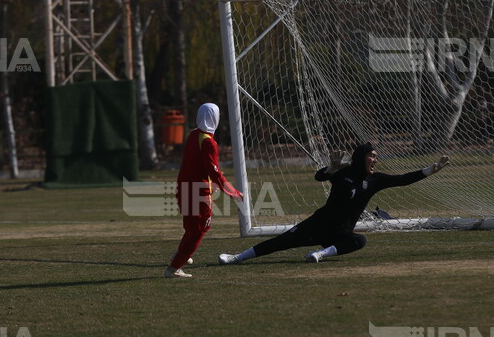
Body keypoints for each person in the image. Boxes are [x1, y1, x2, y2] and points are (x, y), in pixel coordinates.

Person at [219, 142, 448, 265]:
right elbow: (320, 177)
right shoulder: (344, 172)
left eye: (376, 157)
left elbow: (403, 180)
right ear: (361, 158)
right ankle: (236, 258)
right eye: (372, 156)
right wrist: (331, 168)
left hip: (339, 234)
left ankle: (321, 255)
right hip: (318, 224)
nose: (375, 160)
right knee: (280, 242)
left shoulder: (375, 180)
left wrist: (430, 170)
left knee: (359, 240)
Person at [165, 103, 243, 279]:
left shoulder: (193, 135)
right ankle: (174, 268)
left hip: (183, 188)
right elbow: (214, 172)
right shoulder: (209, 142)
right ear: (214, 118)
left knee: (191, 228)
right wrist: (233, 193)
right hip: (198, 194)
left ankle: (181, 255)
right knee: (200, 230)